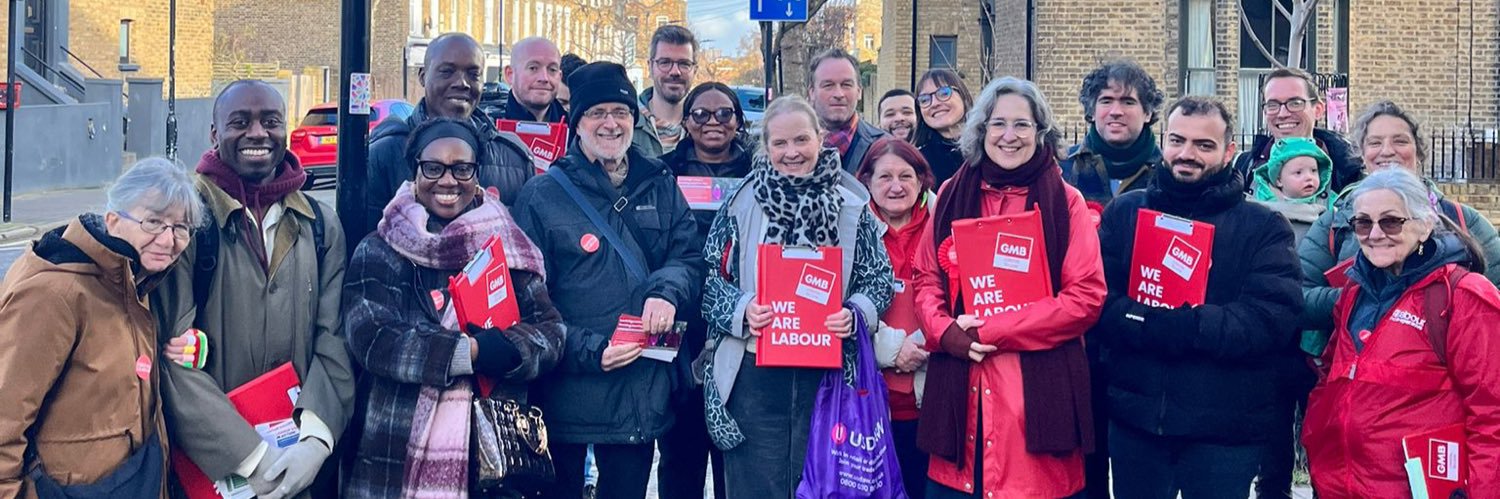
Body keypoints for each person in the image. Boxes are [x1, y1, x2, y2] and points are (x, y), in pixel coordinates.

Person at [342, 118, 565, 498]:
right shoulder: (380, 249)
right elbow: (373, 338)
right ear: (415, 171)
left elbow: (552, 332)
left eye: (462, 168)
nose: (448, 181)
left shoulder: (507, 246)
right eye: (433, 168)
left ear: (476, 174)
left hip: (492, 454)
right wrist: (471, 352)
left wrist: (511, 350)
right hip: (395, 450)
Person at [153, 80, 355, 499]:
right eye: (240, 122)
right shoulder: (185, 221)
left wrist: (316, 439)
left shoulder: (320, 224)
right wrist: (251, 459)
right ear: (215, 134)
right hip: (213, 475)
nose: (258, 133)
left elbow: (333, 337)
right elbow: (171, 358)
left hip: (298, 463)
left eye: (271, 121)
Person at [511, 61, 704, 499]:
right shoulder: (542, 195)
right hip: (565, 392)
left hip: (637, 389)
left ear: (634, 119)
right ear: (577, 122)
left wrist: (666, 292)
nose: (611, 123)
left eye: (620, 112)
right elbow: (528, 298)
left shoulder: (659, 182)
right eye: (597, 113)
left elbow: (688, 256)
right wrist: (590, 350)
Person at [1093, 96, 1302, 498]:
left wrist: (1188, 326)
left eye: (1204, 145)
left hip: (1223, 432)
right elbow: (1099, 299)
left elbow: (1270, 318)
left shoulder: (1264, 226)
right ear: (1163, 141)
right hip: (1137, 423)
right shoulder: (1124, 213)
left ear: (1229, 151)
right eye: (1177, 140)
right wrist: (1147, 322)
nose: (1186, 153)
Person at [911, 77, 1103, 499]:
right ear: (981, 130)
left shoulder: (1066, 201)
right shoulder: (950, 193)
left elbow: (1085, 297)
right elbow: (925, 277)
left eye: (1022, 124)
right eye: (998, 123)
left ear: (1040, 132)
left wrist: (990, 330)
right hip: (959, 398)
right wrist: (945, 331)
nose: (1009, 136)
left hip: (1035, 406)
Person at [700, 95, 894, 497]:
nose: (792, 152)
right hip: (753, 374)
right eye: (780, 143)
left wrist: (855, 313)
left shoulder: (853, 203)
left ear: (820, 138)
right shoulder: (740, 203)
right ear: (766, 147)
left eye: (801, 140)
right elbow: (710, 280)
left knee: (825, 488)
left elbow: (879, 279)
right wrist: (742, 310)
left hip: (828, 375)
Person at [0, 159, 202, 498]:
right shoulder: (55, 293)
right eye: (153, 222)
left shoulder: (134, 282)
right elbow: (6, 414)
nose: (168, 239)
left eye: (180, 227)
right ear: (113, 219)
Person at [1300, 167, 1500, 497]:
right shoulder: (1353, 294)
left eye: (1391, 221)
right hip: (1341, 487)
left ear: (1424, 225)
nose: (1375, 233)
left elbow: (1492, 415)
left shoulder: (1462, 297)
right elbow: (1334, 380)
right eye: (1363, 223)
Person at [654, 81, 748, 499]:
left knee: (736, 460)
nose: (714, 122)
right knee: (680, 456)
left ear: (738, 121)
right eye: (701, 114)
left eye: (724, 113)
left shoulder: (760, 174)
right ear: (686, 122)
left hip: (741, 327)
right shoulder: (662, 172)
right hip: (681, 324)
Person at [362, 33, 536, 242]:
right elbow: (365, 245)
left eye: (473, 74)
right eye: (447, 72)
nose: (462, 83)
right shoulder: (383, 154)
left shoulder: (515, 156)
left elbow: (527, 247)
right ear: (423, 76)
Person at [854, 137, 936, 499]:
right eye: (884, 177)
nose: (896, 186)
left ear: (921, 180)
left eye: (906, 176)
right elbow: (837, 303)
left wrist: (930, 342)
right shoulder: (848, 229)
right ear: (867, 181)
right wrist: (891, 349)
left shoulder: (945, 222)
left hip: (931, 400)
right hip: (868, 406)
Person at [1232, 68, 1362, 196]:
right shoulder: (1242, 167)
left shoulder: (1350, 169)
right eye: (1273, 105)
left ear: (1318, 110)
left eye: (1295, 103)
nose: (1283, 114)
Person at [1060, 60, 1165, 206]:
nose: (1116, 112)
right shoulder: (1062, 169)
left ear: (1148, 113)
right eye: (1106, 101)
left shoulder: (1166, 173)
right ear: (1092, 111)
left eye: (1128, 102)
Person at [807, 48, 887, 173]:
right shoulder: (789, 148)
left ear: (859, 92)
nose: (839, 94)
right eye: (828, 85)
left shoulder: (885, 147)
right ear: (812, 92)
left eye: (846, 85)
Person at [1249, 137, 1334, 241]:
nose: (1309, 177)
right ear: (1279, 180)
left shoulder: (1332, 204)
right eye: (1298, 173)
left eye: (1313, 170)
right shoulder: (1259, 205)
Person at [633, 25, 699, 156]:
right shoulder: (625, 123)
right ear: (650, 67)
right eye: (665, 62)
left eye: (684, 64)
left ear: (695, 70)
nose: (675, 72)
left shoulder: (706, 126)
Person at [911, 69, 974, 186]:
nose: (935, 104)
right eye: (924, 100)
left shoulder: (990, 146)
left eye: (944, 93)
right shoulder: (917, 161)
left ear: (963, 96)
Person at [502, 36, 567, 123]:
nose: (544, 78)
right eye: (533, 68)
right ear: (510, 74)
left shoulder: (575, 127)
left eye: (552, 70)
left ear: (559, 77)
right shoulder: (488, 125)